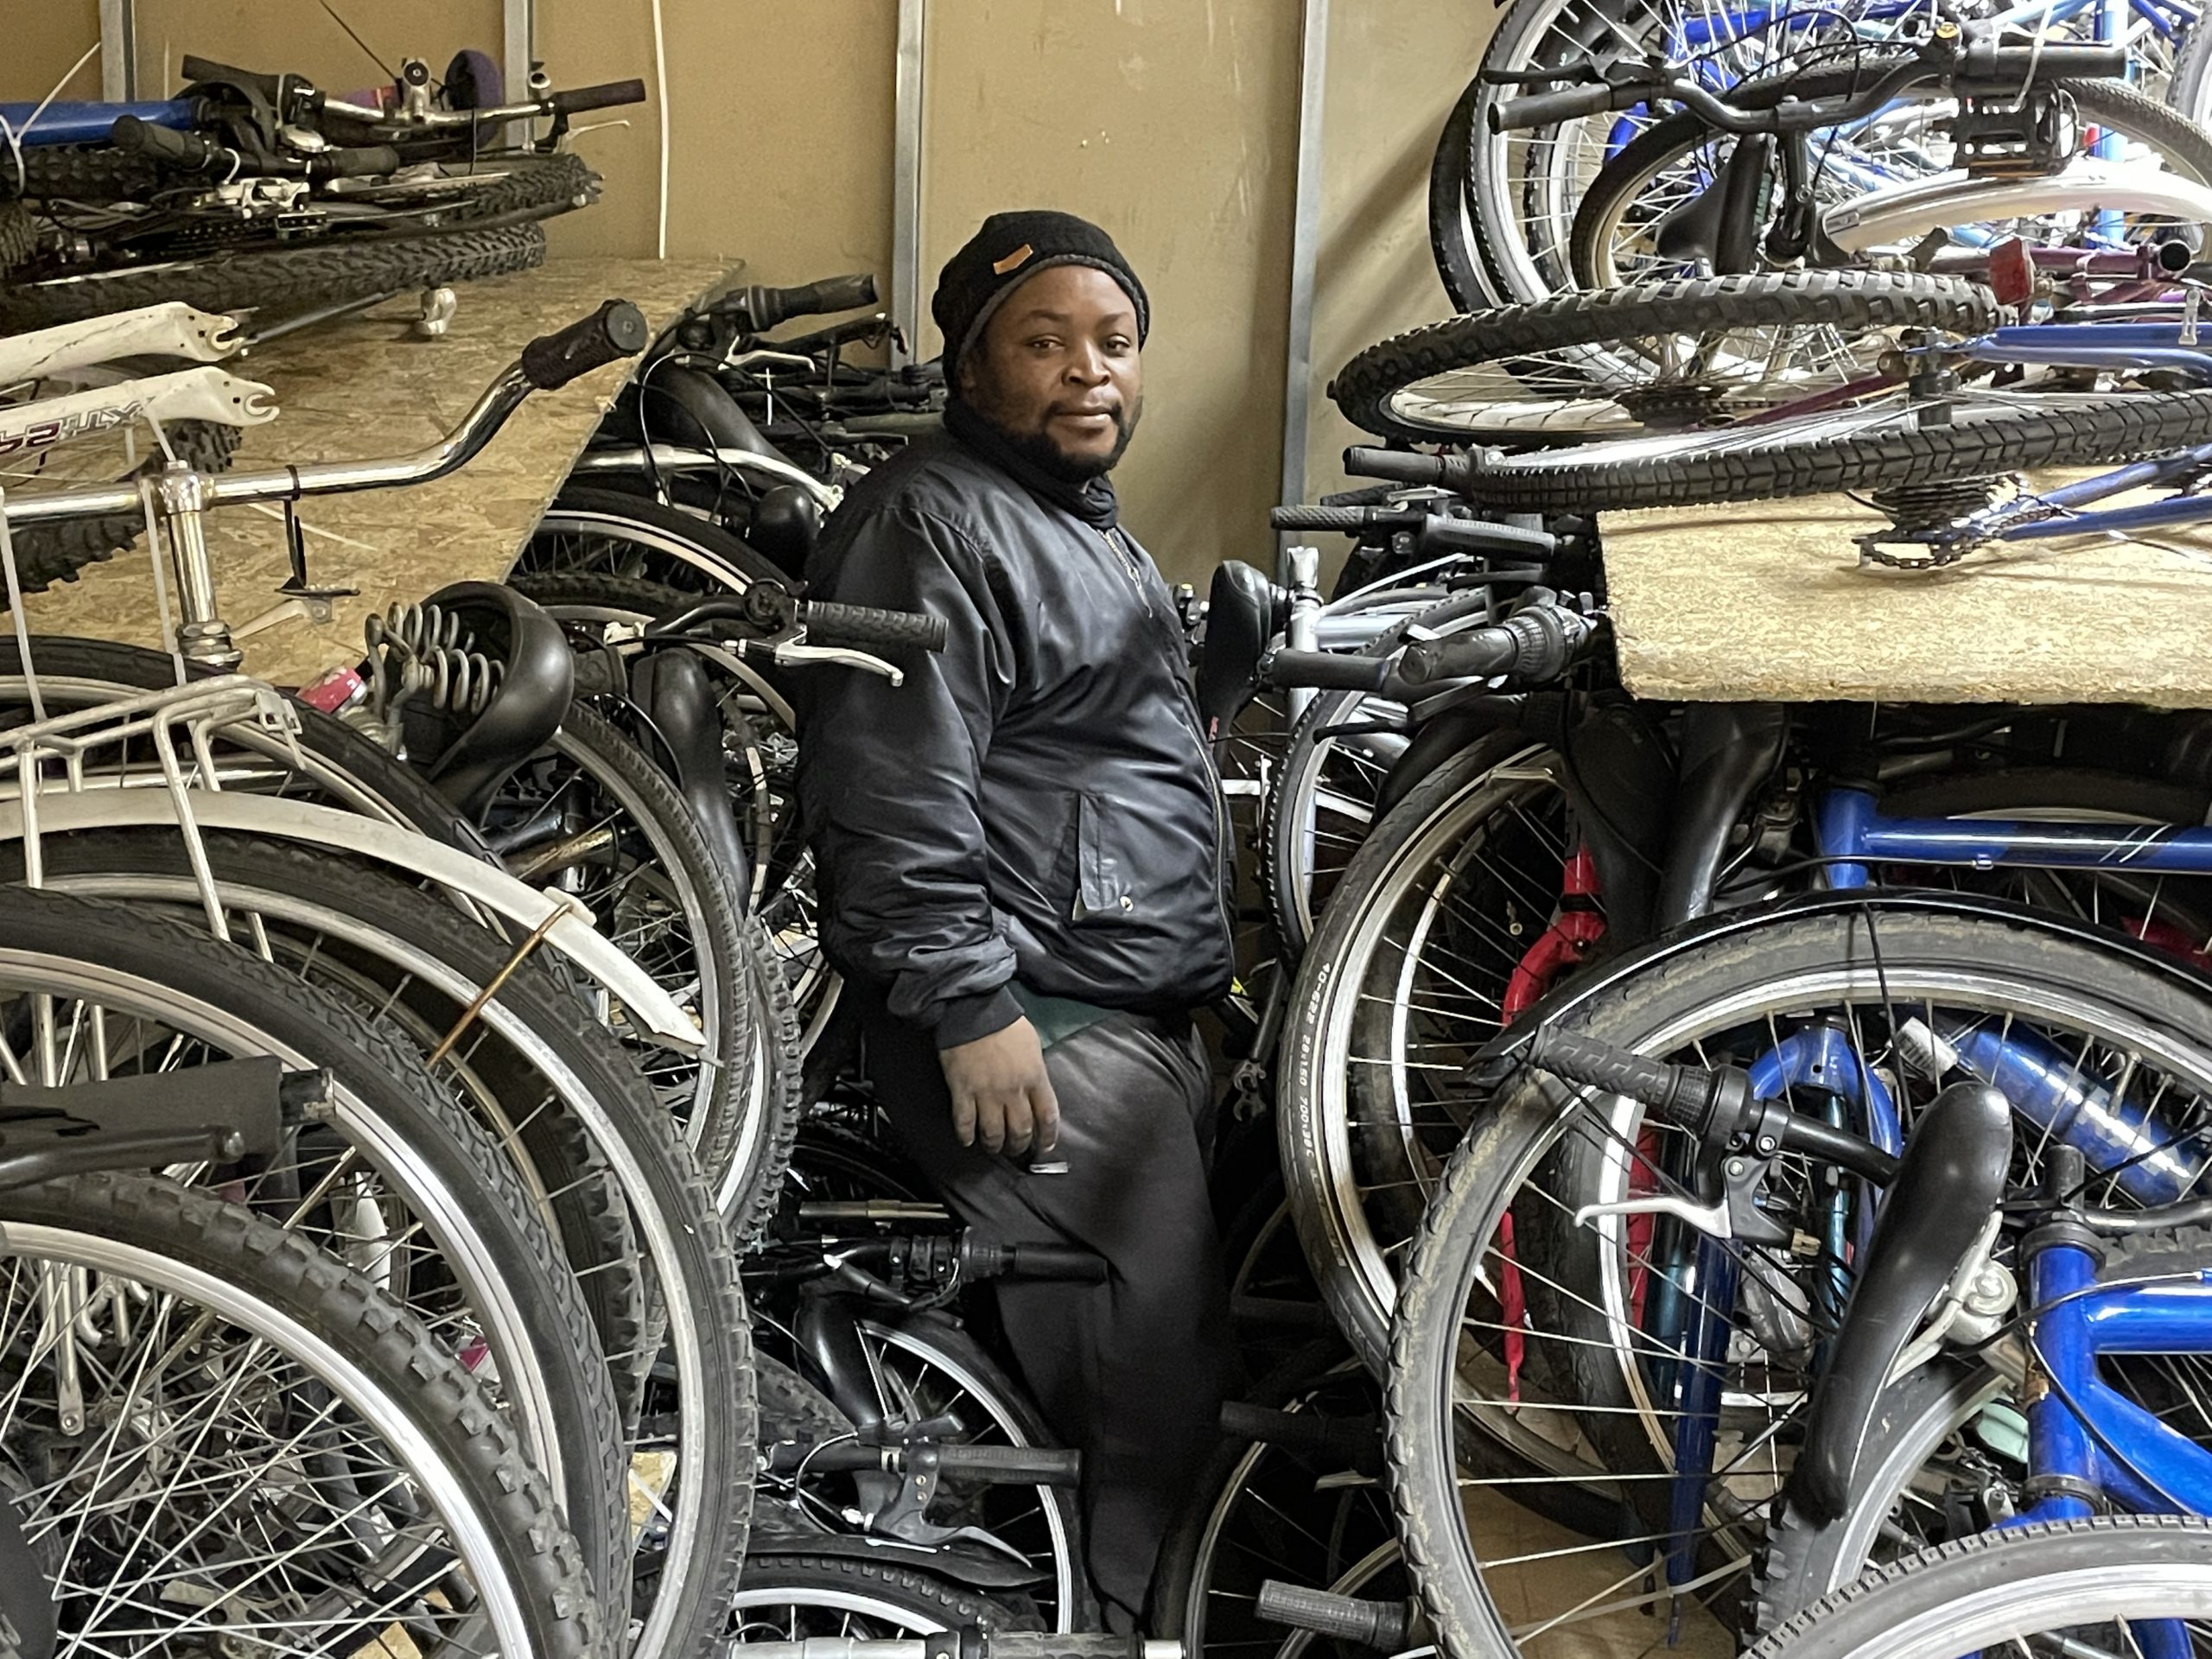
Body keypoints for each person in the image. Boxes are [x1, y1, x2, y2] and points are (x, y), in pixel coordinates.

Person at [791, 209, 1236, 1630]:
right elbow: (887, 792)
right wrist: (973, 1010)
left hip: (1114, 992)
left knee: (1171, 1335)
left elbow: (1070, 743)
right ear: (970, 366)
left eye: (1114, 342)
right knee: (1144, 1365)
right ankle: (1121, 1624)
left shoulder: (1062, 512)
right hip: (1036, 1019)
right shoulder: (927, 525)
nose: (1088, 373)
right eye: (1044, 344)